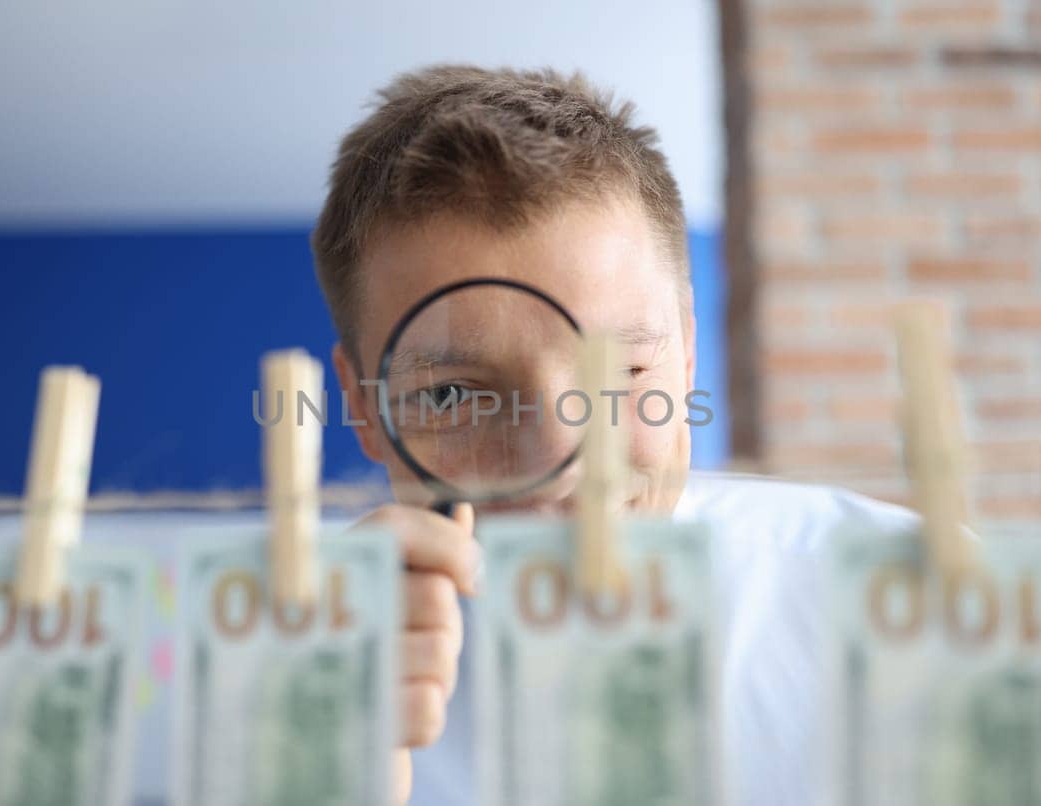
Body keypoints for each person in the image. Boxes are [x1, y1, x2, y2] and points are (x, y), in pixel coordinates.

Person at [311, 65, 917, 806]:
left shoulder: (928, 612)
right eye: (452, 394)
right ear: (364, 409)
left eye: (617, 368)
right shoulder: (298, 692)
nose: (554, 463)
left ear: (687, 354)